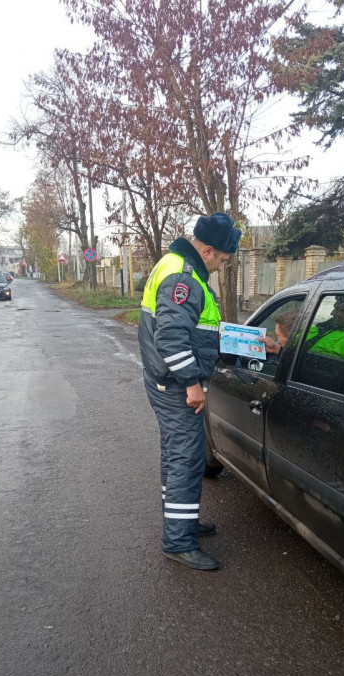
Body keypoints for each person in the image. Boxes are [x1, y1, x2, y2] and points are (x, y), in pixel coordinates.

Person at [138, 212, 241, 570]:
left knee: (176, 455)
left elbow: (204, 327)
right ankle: (178, 542)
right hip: (176, 384)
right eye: (224, 260)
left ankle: (181, 522)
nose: (223, 267)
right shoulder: (184, 276)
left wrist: (258, 343)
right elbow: (171, 337)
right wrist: (193, 384)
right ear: (209, 250)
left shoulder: (181, 267)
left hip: (165, 380)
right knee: (187, 457)